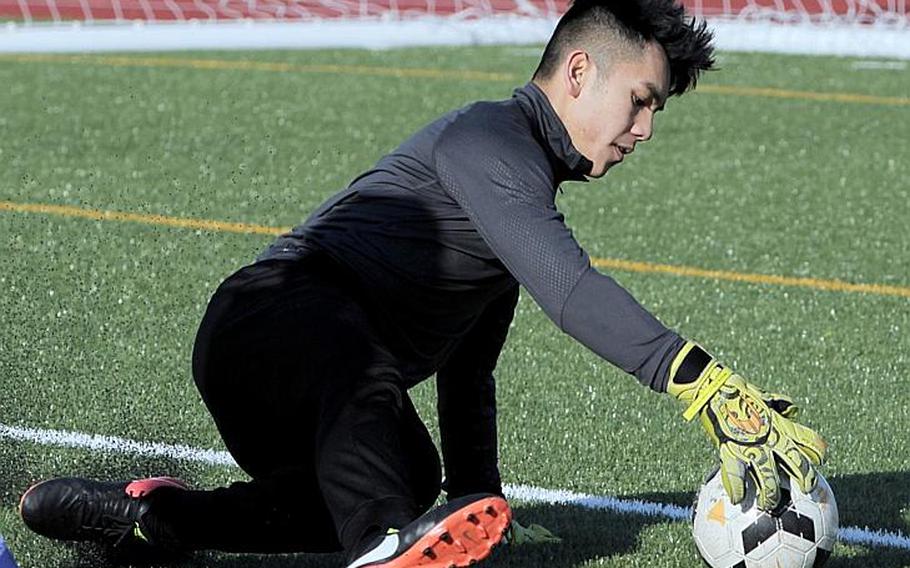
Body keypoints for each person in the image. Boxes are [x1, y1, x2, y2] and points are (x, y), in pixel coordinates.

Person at [18, 0, 827, 566]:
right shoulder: (489, 139)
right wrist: (707, 385)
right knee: (368, 427)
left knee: (404, 483)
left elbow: (469, 368)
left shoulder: (518, 187)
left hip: (311, 388)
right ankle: (380, 548)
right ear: (579, 71)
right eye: (640, 101)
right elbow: (571, 291)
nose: (644, 130)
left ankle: (153, 519)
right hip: (270, 324)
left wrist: (481, 496)